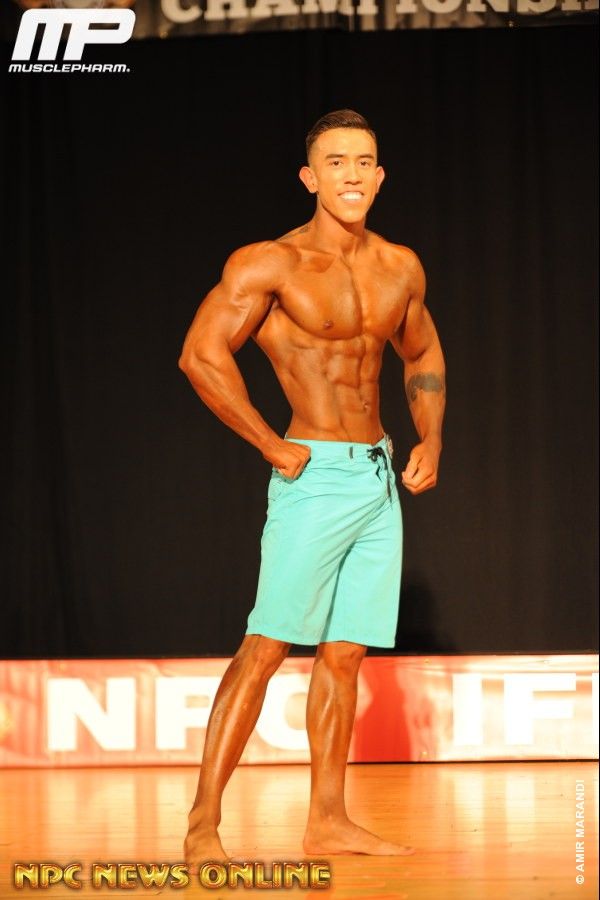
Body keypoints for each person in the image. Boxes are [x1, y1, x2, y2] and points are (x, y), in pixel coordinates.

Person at [178, 109, 445, 864]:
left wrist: (430, 437)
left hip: (375, 476)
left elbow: (422, 353)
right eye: (335, 163)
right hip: (314, 474)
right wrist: (270, 443)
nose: (351, 176)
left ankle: (327, 818)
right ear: (309, 177)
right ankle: (202, 825)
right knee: (266, 646)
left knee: (345, 653)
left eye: (363, 163)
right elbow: (200, 355)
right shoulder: (271, 263)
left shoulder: (400, 267)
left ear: (380, 176)